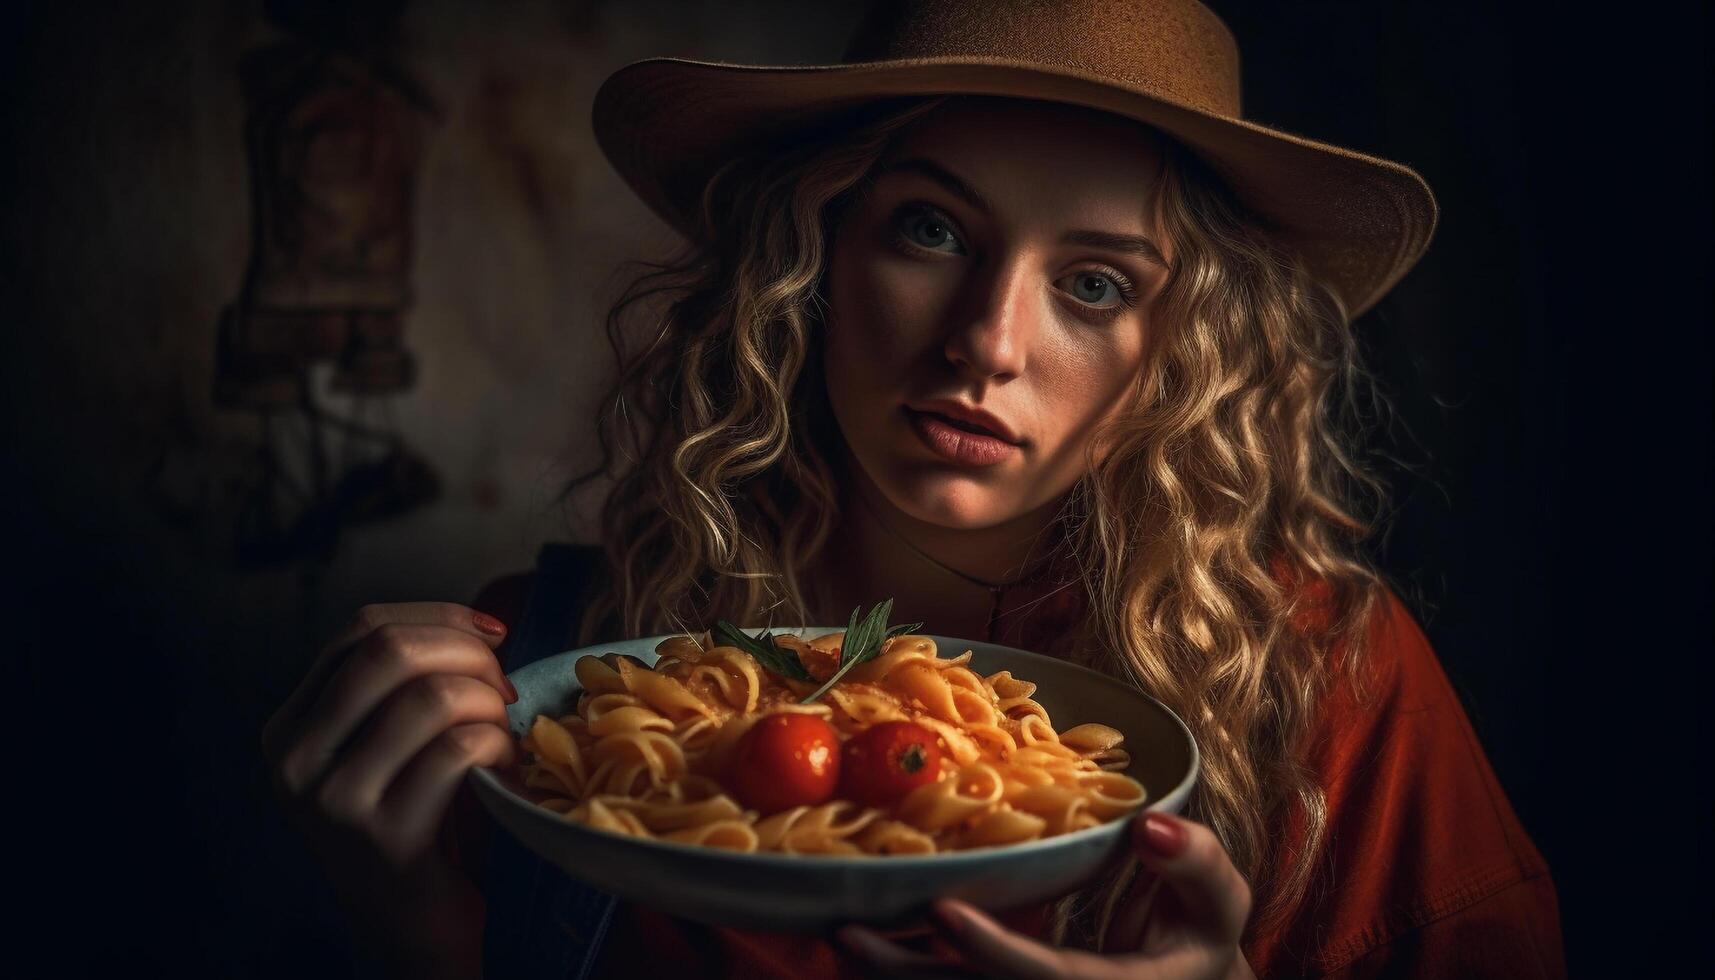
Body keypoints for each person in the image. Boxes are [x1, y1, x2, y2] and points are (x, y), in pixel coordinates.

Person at [262, 1, 1565, 977]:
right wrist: (423, 933)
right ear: (816, 259)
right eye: (930, 229)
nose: (989, 341)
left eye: (1096, 284)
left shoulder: (1330, 690)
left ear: (1183, 357)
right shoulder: (550, 696)